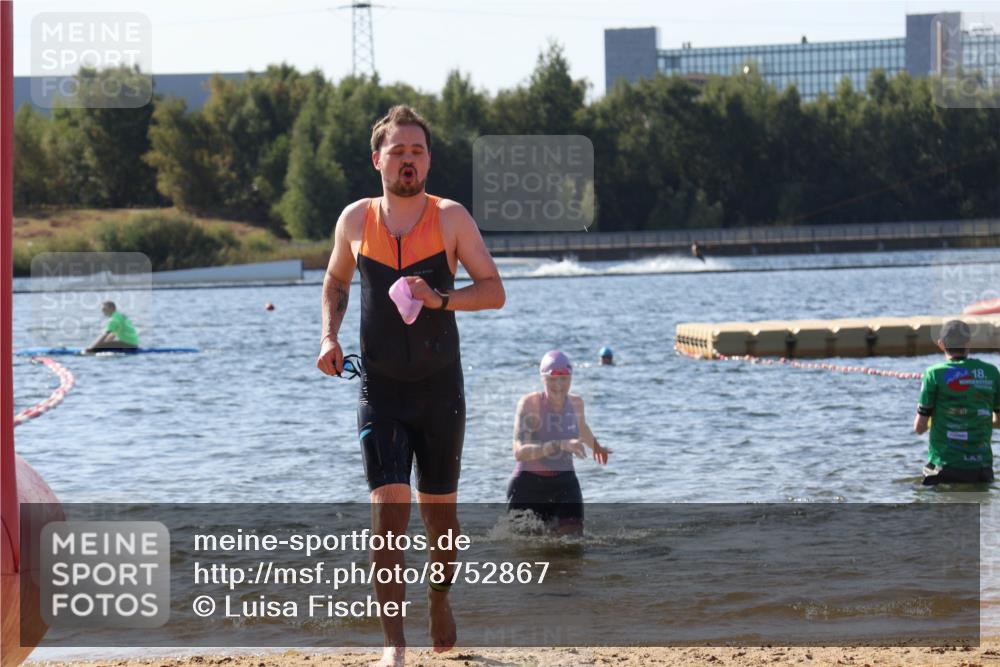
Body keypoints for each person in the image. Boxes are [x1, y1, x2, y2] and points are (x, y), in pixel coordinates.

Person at [315, 105, 505, 667]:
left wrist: (441, 298)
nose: (408, 161)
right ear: (378, 159)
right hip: (381, 389)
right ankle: (393, 643)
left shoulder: (451, 219)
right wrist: (329, 336)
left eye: (417, 151)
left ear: (428, 160)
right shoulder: (355, 220)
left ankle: (439, 599)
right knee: (388, 508)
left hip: (440, 392)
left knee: (440, 517)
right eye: (397, 151)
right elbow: (334, 280)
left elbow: (493, 290)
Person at [507, 350, 611, 534]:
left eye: (564, 379)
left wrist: (596, 447)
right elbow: (519, 452)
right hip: (528, 486)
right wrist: (560, 444)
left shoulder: (576, 403)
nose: (559, 385)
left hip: (565, 483)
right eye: (552, 379)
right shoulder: (530, 404)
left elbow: (581, 427)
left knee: (572, 545)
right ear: (542, 379)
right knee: (527, 550)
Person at [913, 319, 1000, 485]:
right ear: (968, 343)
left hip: (944, 468)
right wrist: (975, 419)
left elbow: (919, 428)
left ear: (941, 344)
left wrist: (940, 419)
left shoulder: (933, 374)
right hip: (981, 470)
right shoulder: (991, 372)